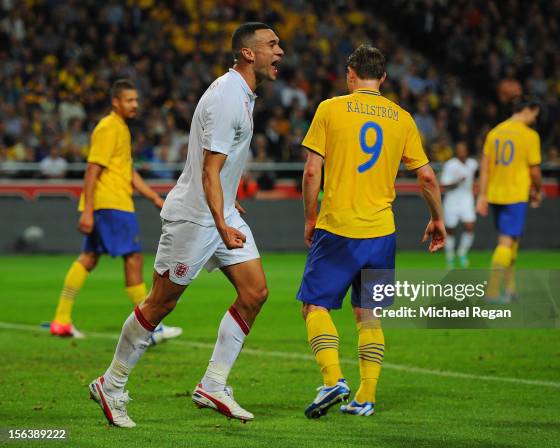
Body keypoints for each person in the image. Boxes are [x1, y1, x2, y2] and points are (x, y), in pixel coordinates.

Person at [88, 23, 284, 427]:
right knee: (160, 302)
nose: (280, 52)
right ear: (249, 53)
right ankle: (111, 384)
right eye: (272, 45)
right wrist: (219, 215)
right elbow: (209, 172)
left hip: (220, 212)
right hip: (196, 217)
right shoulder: (228, 97)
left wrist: (228, 204)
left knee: (255, 292)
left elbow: (218, 171)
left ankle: (213, 383)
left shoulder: (243, 93)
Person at [297, 45, 446, 419]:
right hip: (382, 231)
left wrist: (310, 217)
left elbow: (313, 170)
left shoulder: (331, 109)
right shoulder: (402, 118)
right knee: (369, 313)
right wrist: (437, 218)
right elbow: (426, 176)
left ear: (350, 74)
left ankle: (333, 381)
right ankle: (366, 396)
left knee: (314, 305)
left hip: (339, 227)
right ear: (383, 78)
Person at [50, 79, 182, 344]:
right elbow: (92, 169)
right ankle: (150, 328)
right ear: (116, 102)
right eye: (129, 100)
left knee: (89, 257)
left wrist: (155, 198)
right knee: (133, 259)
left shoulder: (120, 129)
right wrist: (87, 211)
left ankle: (61, 320)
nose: (135, 104)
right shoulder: (108, 127)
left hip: (110, 203)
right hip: (112, 204)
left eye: (136, 100)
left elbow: (128, 172)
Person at [476, 96, 542, 302]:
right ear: (528, 110)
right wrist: (537, 190)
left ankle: (511, 289)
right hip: (515, 195)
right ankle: (492, 291)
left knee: (510, 242)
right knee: (507, 242)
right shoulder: (529, 135)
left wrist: (482, 196)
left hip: (496, 194)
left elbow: (485, 168)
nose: (534, 119)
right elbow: (535, 171)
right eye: (535, 115)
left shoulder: (494, 133)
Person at [440, 141, 478, 268]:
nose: (462, 152)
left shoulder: (472, 164)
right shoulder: (450, 165)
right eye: (459, 150)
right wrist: (457, 182)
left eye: (464, 150)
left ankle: (462, 253)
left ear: (467, 151)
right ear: (457, 152)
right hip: (452, 200)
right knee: (450, 229)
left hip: (467, 199)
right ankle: (450, 256)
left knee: (470, 226)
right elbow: (444, 185)